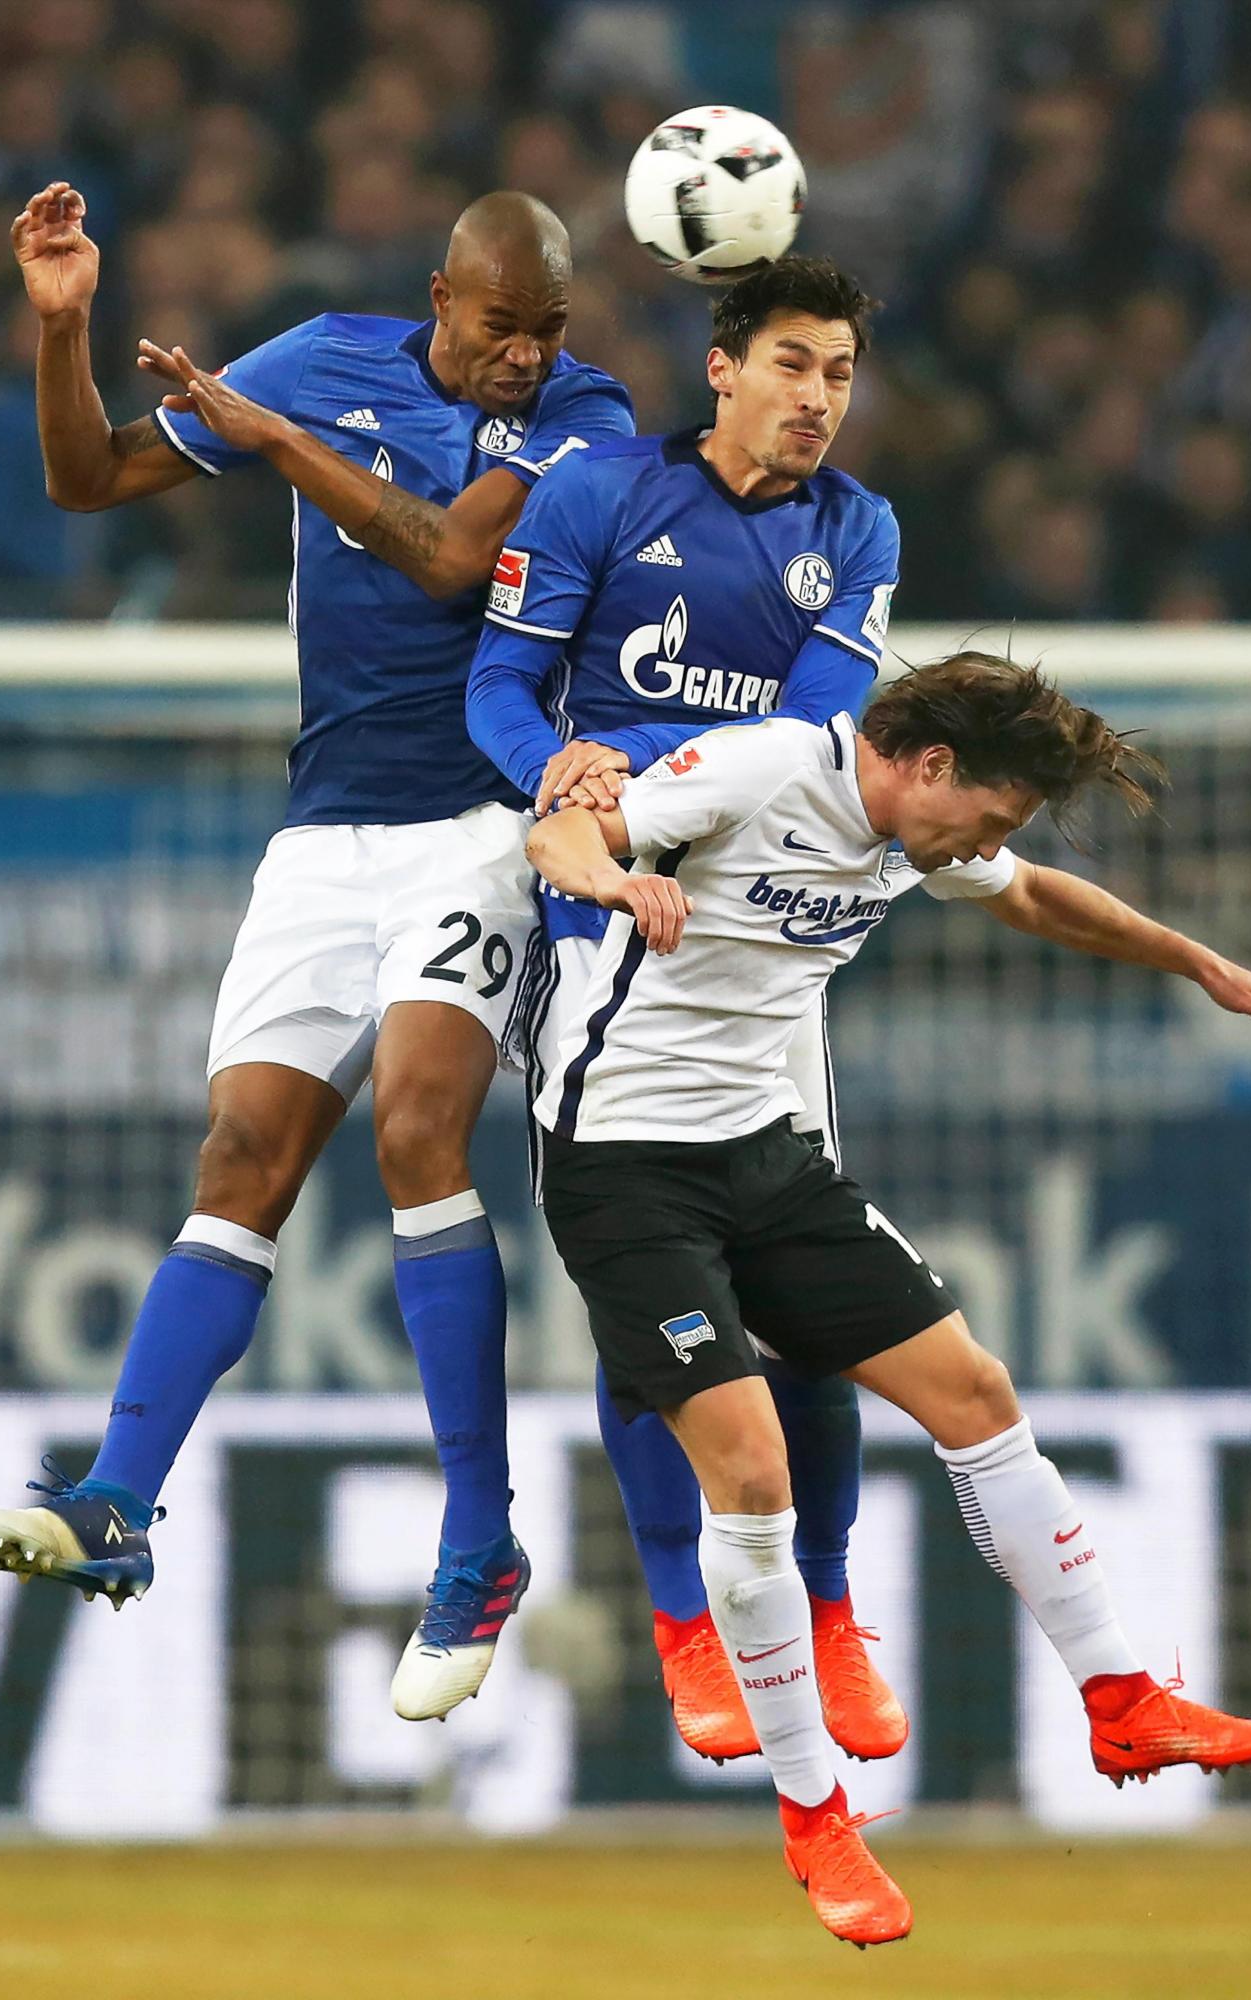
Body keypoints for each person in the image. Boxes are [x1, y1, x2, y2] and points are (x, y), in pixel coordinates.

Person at [524, 655, 1251, 1946]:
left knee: (975, 1392)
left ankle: (1121, 1699)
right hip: (623, 1165)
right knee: (748, 1469)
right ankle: (814, 1818)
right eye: (990, 814)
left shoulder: (912, 835)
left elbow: (1034, 902)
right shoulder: (763, 766)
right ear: (928, 767)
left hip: (764, 1150)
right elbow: (561, 826)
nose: (987, 843)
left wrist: (1196, 964)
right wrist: (619, 878)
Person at [0, 181, 635, 1727]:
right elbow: (89, 480)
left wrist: (264, 440)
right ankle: (119, 1497)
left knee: (415, 1123)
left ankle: (477, 1540)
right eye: (497, 325)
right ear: (438, 298)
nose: (523, 353)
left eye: (544, 330)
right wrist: (60, 330)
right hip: (325, 831)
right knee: (241, 1155)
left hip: (483, 817)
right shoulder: (327, 354)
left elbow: (450, 561)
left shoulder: (586, 423)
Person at [466, 257, 907, 1767]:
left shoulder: (858, 531)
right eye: (791, 364)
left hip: (765, 941)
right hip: (607, 914)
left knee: (804, 1314)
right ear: (721, 369)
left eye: (839, 374)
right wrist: (561, 774)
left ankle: (830, 1612)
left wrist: (621, 753)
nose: (815, 398)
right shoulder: (596, 492)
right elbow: (501, 692)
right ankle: (678, 1624)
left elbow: (811, 736)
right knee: (643, 1294)